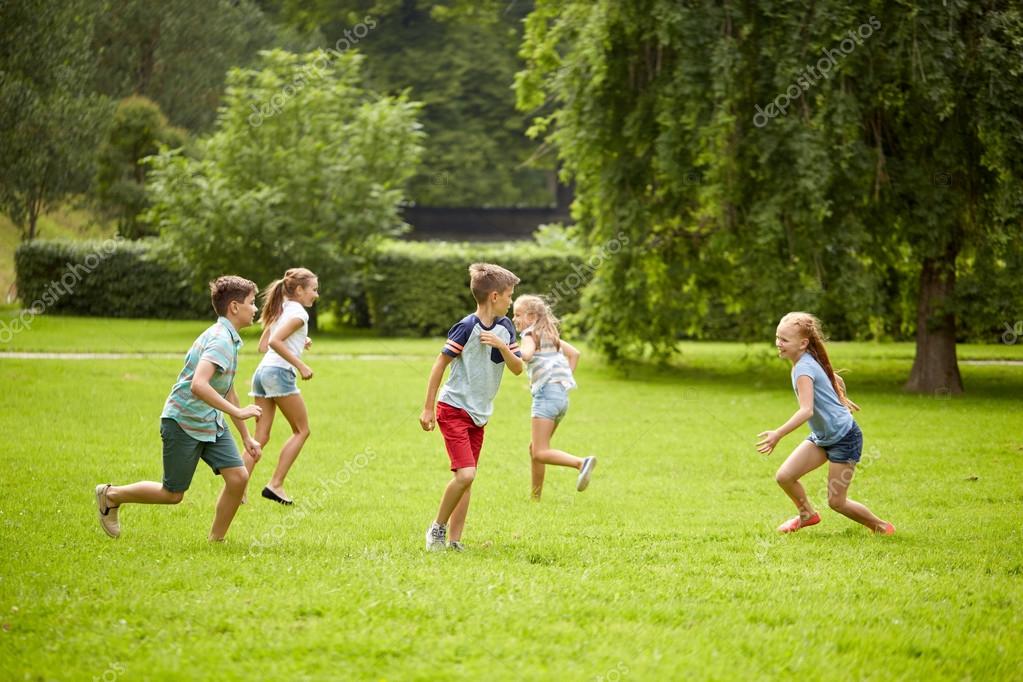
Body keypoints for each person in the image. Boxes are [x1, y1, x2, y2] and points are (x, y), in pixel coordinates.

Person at [95, 276, 263, 541]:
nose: (255, 309)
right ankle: (111, 495)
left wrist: (245, 436)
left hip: (209, 421)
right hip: (183, 421)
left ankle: (215, 542)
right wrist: (241, 414)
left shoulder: (230, 339)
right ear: (234, 307)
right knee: (172, 494)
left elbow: (227, 388)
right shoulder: (220, 340)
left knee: (238, 478)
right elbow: (199, 385)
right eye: (252, 303)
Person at [756, 312, 894, 535]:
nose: (778, 344)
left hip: (844, 438)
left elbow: (806, 410)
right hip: (822, 437)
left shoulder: (803, 368)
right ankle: (807, 514)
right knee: (785, 477)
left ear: (803, 343)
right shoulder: (808, 358)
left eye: (784, 340)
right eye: (777, 337)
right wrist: (839, 397)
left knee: (837, 502)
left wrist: (778, 434)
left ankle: (881, 527)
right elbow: (834, 378)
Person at [420, 263, 523, 551]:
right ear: (494, 296)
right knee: (466, 474)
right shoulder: (466, 327)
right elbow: (439, 365)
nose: (510, 301)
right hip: (453, 408)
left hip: (479, 415)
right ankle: (436, 530)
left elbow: (517, 368)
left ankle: (454, 541)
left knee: (466, 479)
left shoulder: (505, 327)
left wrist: (502, 346)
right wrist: (428, 409)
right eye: (509, 295)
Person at [245, 267, 319, 505]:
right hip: (278, 373)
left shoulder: (282, 309)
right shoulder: (299, 315)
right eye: (314, 290)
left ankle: (237, 487)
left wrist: (299, 340)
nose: (316, 295)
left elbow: (263, 344)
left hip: (262, 373)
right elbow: (275, 342)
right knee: (302, 430)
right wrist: (301, 365)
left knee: (260, 437)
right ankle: (275, 485)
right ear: (299, 290)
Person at [512, 294, 595, 499]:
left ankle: (581, 463)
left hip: (546, 397)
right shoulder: (550, 335)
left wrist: (506, 348)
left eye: (518, 315)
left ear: (531, 317)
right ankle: (535, 497)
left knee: (540, 452)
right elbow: (574, 353)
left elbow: (527, 355)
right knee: (536, 448)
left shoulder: (530, 335)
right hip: (560, 398)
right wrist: (561, 382)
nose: (514, 319)